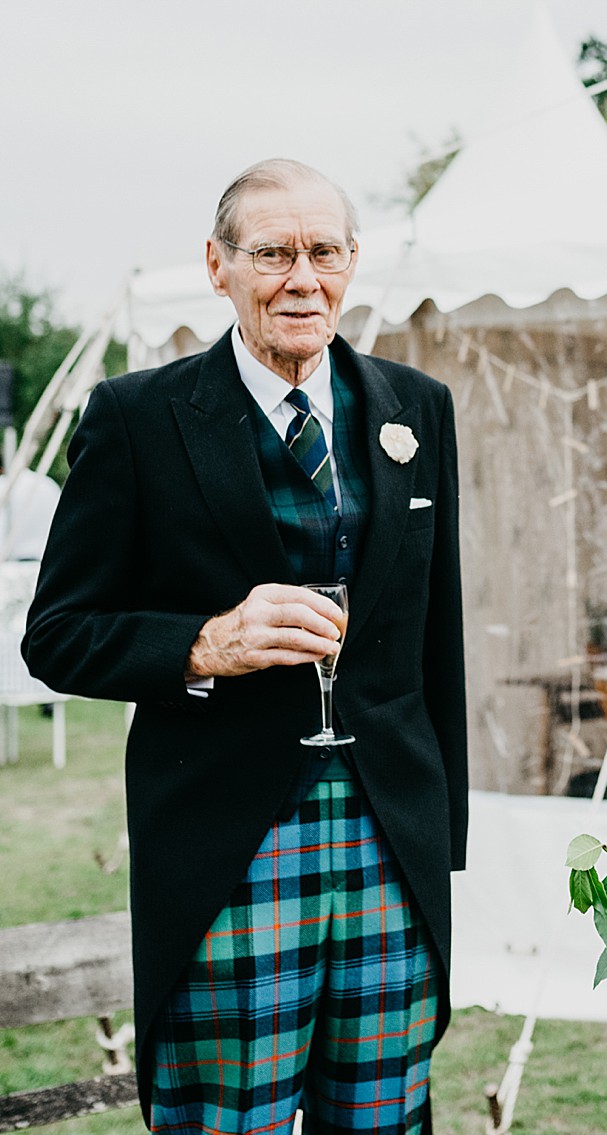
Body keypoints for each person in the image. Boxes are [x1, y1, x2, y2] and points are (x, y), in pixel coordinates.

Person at [25, 158, 466, 1134]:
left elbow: (441, 639)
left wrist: (446, 842)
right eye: (271, 252)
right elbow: (56, 636)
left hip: (392, 843)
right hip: (229, 848)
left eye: (323, 251)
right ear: (217, 266)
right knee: (228, 1121)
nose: (300, 278)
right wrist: (204, 643)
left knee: (384, 1118)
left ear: (352, 263)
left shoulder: (416, 409)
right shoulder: (136, 417)